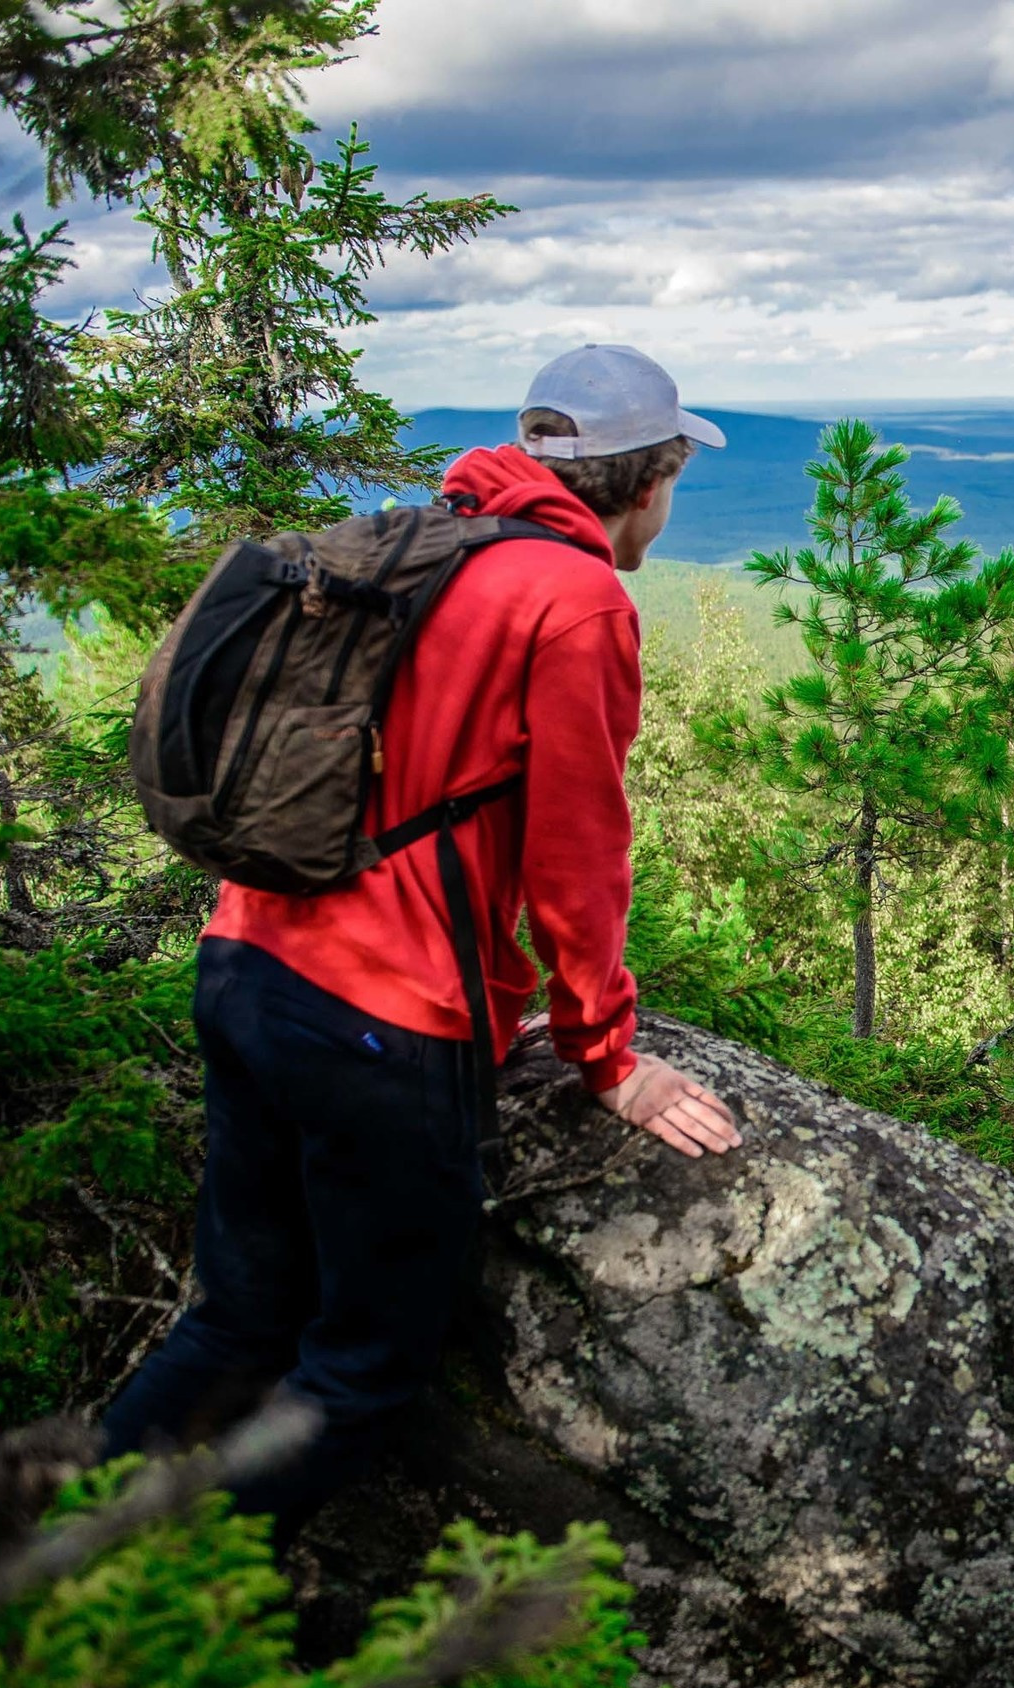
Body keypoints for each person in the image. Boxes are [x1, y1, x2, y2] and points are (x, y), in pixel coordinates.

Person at [102, 345, 741, 1540]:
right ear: (645, 479)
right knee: (357, 1373)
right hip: (384, 1025)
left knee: (236, 1320)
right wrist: (609, 1056)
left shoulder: (412, 546)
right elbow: (576, 856)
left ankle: (27, 1564)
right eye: (671, 480)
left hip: (245, 962)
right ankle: (151, 1619)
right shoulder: (576, 598)